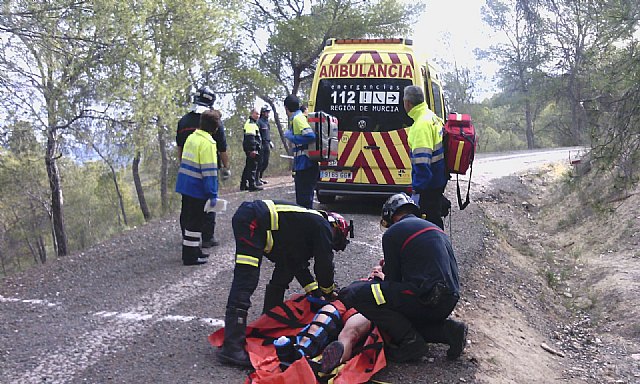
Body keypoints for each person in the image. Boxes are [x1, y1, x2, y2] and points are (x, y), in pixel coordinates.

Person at [217, 200, 353, 367]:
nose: (330, 244)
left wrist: (316, 291)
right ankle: (231, 348)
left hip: (257, 222)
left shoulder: (304, 228)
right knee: (246, 280)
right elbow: (324, 264)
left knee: (284, 271)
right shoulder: (321, 225)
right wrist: (329, 290)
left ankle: (268, 321)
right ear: (335, 228)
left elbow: (297, 265)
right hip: (253, 220)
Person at [338, 193, 467, 362]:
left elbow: (393, 281)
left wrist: (378, 277)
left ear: (391, 216)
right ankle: (449, 331)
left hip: (426, 298)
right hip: (447, 300)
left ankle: (411, 343)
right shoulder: (434, 229)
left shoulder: (393, 232)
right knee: (404, 317)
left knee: (356, 293)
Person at [176, 86, 230, 249]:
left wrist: (183, 164)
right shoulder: (213, 122)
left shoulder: (183, 121)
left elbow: (179, 147)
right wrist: (226, 167)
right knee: (208, 203)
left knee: (187, 206)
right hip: (207, 169)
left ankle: (188, 237)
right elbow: (222, 148)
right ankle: (207, 237)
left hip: (188, 170)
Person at [175, 110, 222, 266]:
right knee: (196, 223)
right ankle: (190, 257)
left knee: (190, 221)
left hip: (185, 185)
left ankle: (194, 251)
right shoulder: (208, 143)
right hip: (197, 188)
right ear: (215, 128)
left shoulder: (192, 137)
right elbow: (209, 172)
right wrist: (212, 194)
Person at [403, 85, 448, 230]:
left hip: (429, 184)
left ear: (408, 103)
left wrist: (417, 190)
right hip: (438, 179)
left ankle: (438, 250)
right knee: (434, 219)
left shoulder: (421, 125)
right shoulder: (432, 117)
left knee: (429, 224)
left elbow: (422, 162)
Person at [284, 95, 318, 209]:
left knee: (304, 202)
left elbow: (311, 136)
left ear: (286, 108)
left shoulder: (298, 118)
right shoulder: (298, 118)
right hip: (304, 166)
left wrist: (291, 136)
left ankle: (307, 225)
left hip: (306, 166)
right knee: (304, 202)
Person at [240, 108, 263, 192]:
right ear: (252, 114)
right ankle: (252, 185)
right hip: (251, 148)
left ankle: (243, 185)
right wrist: (253, 149)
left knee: (248, 166)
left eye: (258, 114)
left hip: (251, 148)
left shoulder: (253, 123)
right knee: (252, 166)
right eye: (256, 114)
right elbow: (250, 138)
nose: (258, 116)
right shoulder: (250, 124)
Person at [256, 105, 273, 185]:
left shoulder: (266, 122)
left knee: (265, 162)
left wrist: (270, 142)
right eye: (267, 112)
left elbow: (267, 134)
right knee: (260, 162)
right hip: (261, 144)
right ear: (263, 113)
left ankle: (260, 177)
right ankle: (256, 179)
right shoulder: (259, 122)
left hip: (267, 144)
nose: (268, 113)